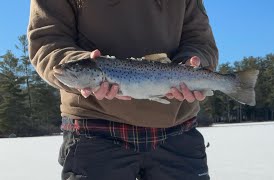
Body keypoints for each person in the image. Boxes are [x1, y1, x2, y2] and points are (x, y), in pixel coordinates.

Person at [28, 0, 218, 179]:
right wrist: (82, 61)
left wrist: (193, 64)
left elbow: (200, 40)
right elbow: (47, 40)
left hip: (178, 127)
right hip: (94, 126)